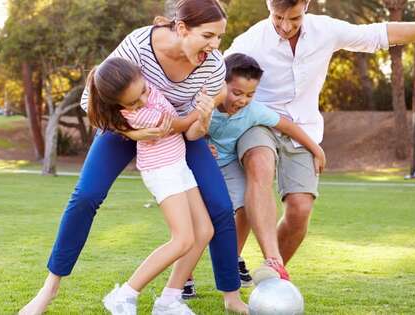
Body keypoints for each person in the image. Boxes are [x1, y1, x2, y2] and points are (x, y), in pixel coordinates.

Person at [20, 1, 249, 314]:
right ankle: (49, 288)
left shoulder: (212, 63)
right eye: (208, 36)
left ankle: (228, 296)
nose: (215, 46)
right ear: (182, 28)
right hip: (123, 126)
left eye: (219, 38)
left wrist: (207, 110)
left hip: (177, 132)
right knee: (87, 195)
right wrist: (131, 134)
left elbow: (207, 105)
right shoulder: (139, 45)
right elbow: (91, 101)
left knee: (220, 207)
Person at [223, 0, 415, 281]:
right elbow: (216, 75)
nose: (285, 27)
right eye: (277, 17)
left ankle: (269, 280)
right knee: (260, 164)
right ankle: (266, 260)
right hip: (259, 123)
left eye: (294, 18)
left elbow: (381, 34)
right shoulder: (251, 41)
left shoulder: (325, 30)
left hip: (303, 129)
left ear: (306, 4)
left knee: (300, 210)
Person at [183, 52, 327, 297]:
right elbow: (183, 131)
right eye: (237, 93)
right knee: (197, 222)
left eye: (250, 94)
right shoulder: (202, 103)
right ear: (220, 84)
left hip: (228, 166)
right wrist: (202, 143)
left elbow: (287, 125)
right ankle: (185, 276)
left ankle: (231, 258)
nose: (242, 100)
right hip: (198, 166)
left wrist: (316, 149)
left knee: (247, 207)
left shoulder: (253, 112)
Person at [87, 57, 213, 314]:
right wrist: (205, 107)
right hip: (162, 171)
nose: (143, 100)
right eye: (133, 102)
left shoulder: (147, 87)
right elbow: (178, 124)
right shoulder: (139, 115)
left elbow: (163, 100)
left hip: (178, 164)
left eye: (143, 91)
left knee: (204, 231)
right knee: (182, 239)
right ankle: (124, 294)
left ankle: (169, 299)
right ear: (119, 105)